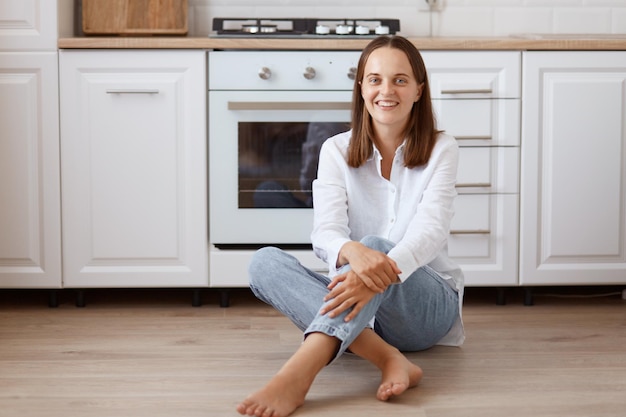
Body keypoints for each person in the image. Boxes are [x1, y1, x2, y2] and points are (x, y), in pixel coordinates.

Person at [236, 35, 465, 417]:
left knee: (378, 242)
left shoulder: (443, 148)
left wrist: (371, 255)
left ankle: (300, 372)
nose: (386, 90)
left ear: (419, 91)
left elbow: (430, 233)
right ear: (361, 89)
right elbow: (325, 232)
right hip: (359, 302)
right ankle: (388, 357)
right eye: (374, 79)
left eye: (400, 80)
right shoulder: (336, 150)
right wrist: (352, 252)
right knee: (264, 263)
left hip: (424, 309)